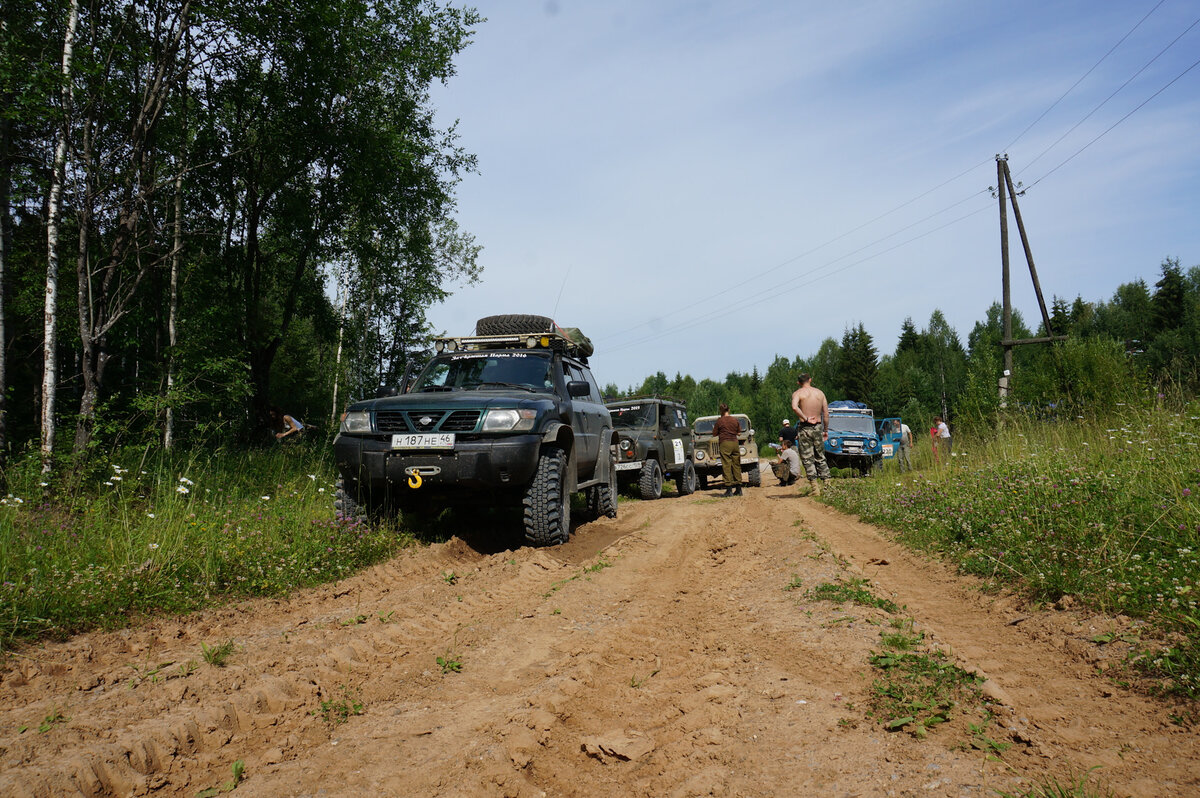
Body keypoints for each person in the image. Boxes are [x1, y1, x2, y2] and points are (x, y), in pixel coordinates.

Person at [790, 373, 831, 495]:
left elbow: (794, 407)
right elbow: (826, 413)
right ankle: (827, 485)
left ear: (798, 383)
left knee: (808, 458)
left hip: (805, 428)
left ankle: (815, 489)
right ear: (810, 380)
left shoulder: (798, 393)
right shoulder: (820, 393)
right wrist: (825, 430)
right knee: (820, 456)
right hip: (818, 427)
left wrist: (805, 418)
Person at [713, 402, 743, 497]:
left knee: (726, 465)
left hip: (725, 443)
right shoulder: (735, 420)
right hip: (735, 443)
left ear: (721, 411)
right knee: (736, 465)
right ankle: (739, 489)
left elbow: (714, 434)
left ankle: (729, 489)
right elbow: (739, 433)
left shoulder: (719, 421)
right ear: (728, 410)